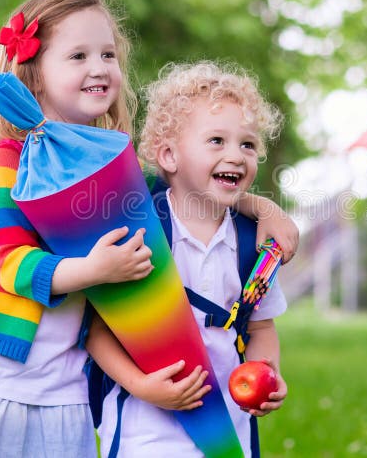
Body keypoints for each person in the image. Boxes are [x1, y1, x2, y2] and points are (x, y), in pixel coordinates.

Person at [0, 0, 297, 457]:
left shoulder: (110, 163)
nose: (99, 66)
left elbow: (186, 188)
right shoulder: (2, 165)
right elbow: (13, 265)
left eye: (108, 54)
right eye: (78, 55)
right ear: (32, 77)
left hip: (64, 387)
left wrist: (264, 209)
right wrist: (95, 270)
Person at [92, 61, 289, 458]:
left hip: (228, 424)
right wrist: (140, 386)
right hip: (145, 425)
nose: (236, 155)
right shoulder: (141, 233)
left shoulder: (255, 243)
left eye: (247, 144)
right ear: (168, 155)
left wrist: (266, 370)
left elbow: (262, 325)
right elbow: (99, 330)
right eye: (216, 140)